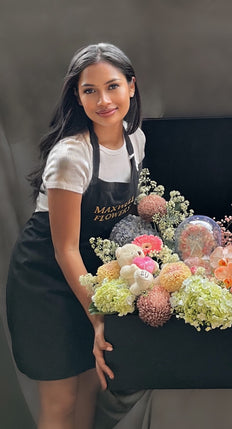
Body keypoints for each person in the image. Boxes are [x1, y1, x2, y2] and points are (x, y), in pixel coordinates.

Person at [6, 43, 145, 429]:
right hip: (46, 283)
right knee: (62, 402)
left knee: (90, 387)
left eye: (113, 86)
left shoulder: (136, 142)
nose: (103, 100)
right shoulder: (71, 155)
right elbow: (65, 247)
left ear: (131, 88)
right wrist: (97, 316)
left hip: (91, 279)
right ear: (77, 96)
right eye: (89, 90)